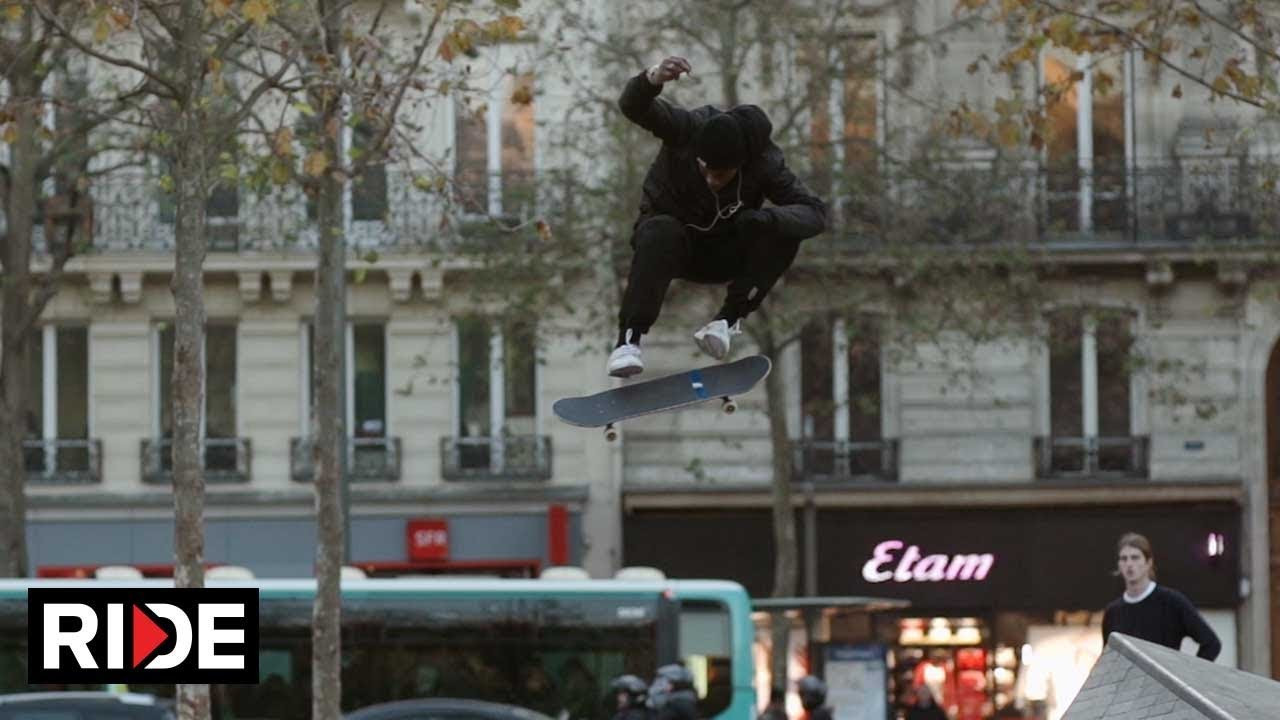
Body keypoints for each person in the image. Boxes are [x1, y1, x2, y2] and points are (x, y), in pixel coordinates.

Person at [607, 55, 828, 378]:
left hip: (724, 252)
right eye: (705, 170)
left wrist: (768, 219)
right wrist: (654, 77)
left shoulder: (764, 162)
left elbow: (814, 212)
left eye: (721, 175)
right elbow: (633, 107)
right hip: (673, 248)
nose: (712, 180)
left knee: (783, 230)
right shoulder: (686, 129)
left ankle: (726, 322)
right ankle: (628, 341)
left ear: (741, 164)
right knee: (660, 230)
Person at [1101, 531, 1221, 660]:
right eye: (1124, 559)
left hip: (1162, 678)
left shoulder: (1172, 602)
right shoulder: (1113, 612)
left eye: (1135, 557)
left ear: (1148, 562)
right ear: (1119, 564)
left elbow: (1211, 643)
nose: (1129, 564)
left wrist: (1188, 675)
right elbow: (1108, 659)